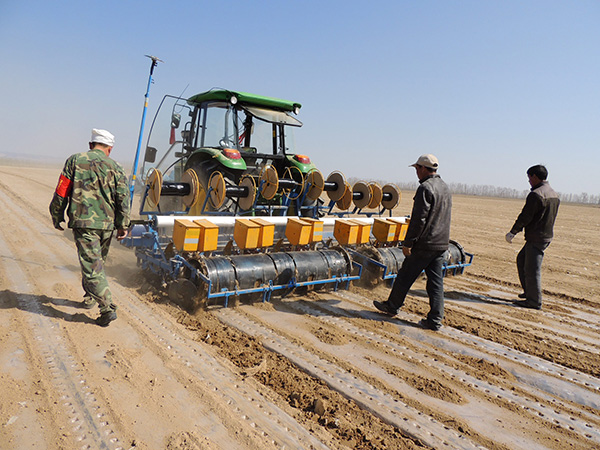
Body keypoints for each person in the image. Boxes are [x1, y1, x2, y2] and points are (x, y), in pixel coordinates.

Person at [49, 129, 130, 327]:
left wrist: (56, 214)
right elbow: (123, 198)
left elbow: (62, 190)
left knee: (92, 267)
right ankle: (90, 297)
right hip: (106, 225)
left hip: (84, 223)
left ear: (90, 144)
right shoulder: (116, 167)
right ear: (109, 149)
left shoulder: (75, 160)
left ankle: (107, 308)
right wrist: (123, 225)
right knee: (96, 263)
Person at [373, 154, 452, 331]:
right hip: (441, 243)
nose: (416, 172)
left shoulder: (425, 188)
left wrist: (408, 243)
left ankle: (392, 306)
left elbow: (419, 219)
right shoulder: (445, 187)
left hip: (425, 244)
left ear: (424, 169)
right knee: (436, 283)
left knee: (405, 275)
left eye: (417, 169)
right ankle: (435, 319)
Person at [505, 164, 559, 310]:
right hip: (545, 235)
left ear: (535, 177)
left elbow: (526, 216)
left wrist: (513, 231)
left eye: (529, 177)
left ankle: (534, 301)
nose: (528, 181)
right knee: (522, 259)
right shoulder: (553, 193)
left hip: (537, 237)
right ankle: (529, 292)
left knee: (532, 269)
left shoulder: (536, 194)